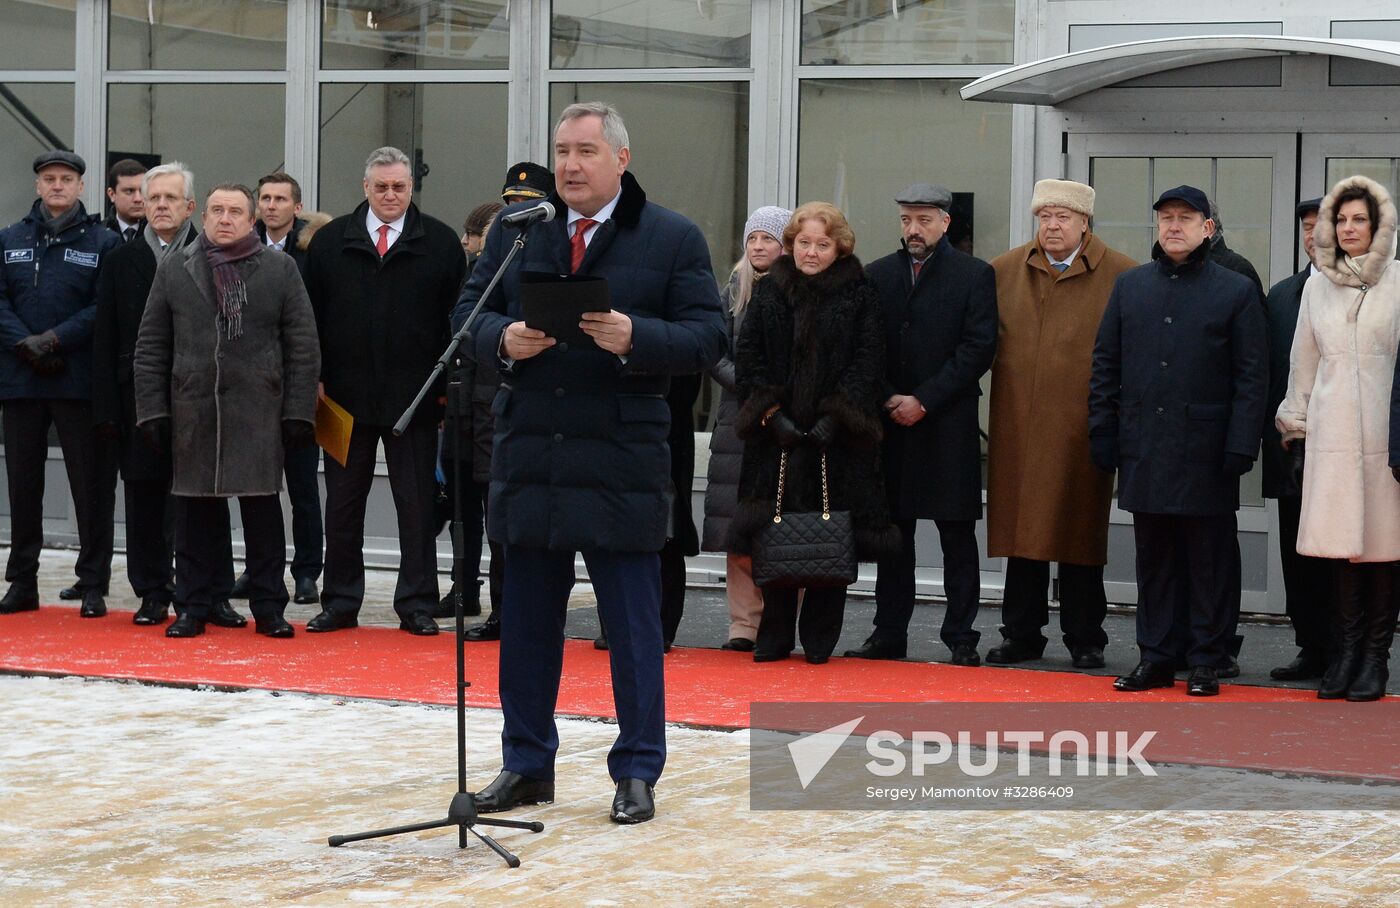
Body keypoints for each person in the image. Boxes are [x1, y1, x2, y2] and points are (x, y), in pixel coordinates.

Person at [460, 102, 725, 824]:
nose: (569, 165)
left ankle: (638, 770)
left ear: (620, 159)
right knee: (525, 627)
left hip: (621, 459)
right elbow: (466, 314)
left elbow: (708, 337)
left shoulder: (671, 237)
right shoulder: (522, 234)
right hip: (533, 455)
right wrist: (501, 339)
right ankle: (525, 765)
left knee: (633, 632)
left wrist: (638, 336)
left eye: (584, 151)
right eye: (561, 151)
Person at [1089, 185, 1267, 697]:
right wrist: (1103, 429)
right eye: (1166, 218)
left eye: (1186, 218)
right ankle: (1157, 657)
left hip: (1207, 449)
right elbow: (1106, 364)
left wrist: (1241, 444)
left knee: (1208, 558)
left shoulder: (1233, 289)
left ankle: (1208, 659)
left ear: (1208, 228)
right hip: (1144, 444)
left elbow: (1251, 376)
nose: (1173, 226)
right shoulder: (1131, 287)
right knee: (1155, 558)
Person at [133, 183, 320, 638]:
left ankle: (269, 607)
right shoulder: (176, 268)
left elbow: (303, 345)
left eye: (235, 211)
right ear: (204, 215)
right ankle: (192, 606)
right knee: (194, 517)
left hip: (259, 409)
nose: (224, 218)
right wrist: (152, 410)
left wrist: (299, 411)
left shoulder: (280, 268)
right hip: (194, 408)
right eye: (216, 209)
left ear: (251, 218)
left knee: (261, 516)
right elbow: (151, 345)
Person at [301, 147, 467, 636]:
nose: (390, 195)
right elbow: (307, 321)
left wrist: (442, 392)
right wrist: (313, 378)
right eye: (381, 187)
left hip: (414, 401)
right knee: (343, 506)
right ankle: (340, 602)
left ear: (411, 188)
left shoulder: (439, 244)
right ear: (365, 187)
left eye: (399, 186)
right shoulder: (329, 243)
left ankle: (416, 602)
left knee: (415, 508)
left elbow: (454, 324)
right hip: (341, 401)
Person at [731, 201, 899, 665]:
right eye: (803, 242)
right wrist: (770, 414)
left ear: (839, 247)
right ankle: (774, 634)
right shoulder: (769, 291)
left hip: (838, 442)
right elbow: (750, 358)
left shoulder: (859, 293)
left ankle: (820, 636)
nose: (811, 252)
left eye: (822, 244)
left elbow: (868, 360)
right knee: (775, 533)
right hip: (776, 440)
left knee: (831, 537)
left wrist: (837, 415)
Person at [985, 180, 1137, 669]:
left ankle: (1085, 636)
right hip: (1018, 427)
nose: (1052, 225)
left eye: (1063, 217)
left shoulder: (1123, 275)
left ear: (1085, 223)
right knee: (1022, 536)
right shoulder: (1004, 271)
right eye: (1045, 215)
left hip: (1084, 427)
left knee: (1079, 535)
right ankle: (1022, 634)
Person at [844, 183, 996, 667]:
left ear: (946, 223)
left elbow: (978, 348)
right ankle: (889, 633)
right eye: (907, 219)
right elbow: (864, 345)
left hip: (946, 423)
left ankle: (961, 636)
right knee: (895, 536)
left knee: (956, 535)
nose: (914, 229)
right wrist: (889, 395)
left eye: (924, 219)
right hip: (891, 424)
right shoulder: (877, 275)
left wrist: (925, 400)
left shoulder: (975, 275)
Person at [1281, 175, 1400, 702]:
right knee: (1340, 550)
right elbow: (1302, 364)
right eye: (1342, 219)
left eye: (1360, 219)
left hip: (1385, 436)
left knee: (1383, 548)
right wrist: (1297, 429)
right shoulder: (1315, 286)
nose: (1349, 228)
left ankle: (1375, 657)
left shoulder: (1399, 280)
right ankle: (1344, 652)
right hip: (1331, 434)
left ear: (1379, 227)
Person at [0, 151, 121, 618]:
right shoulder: (9, 238)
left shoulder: (102, 242)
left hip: (76, 380)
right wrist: (25, 345)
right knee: (22, 486)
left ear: (80, 187)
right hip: (21, 380)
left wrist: (53, 341)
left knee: (89, 487)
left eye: (65, 179)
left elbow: (101, 308)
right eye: (48, 178)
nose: (56, 186)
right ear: (37, 186)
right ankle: (22, 583)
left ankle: (92, 582)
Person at [222, 171, 323, 607]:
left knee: (302, 486)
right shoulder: (239, 249)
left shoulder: (314, 251)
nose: (271, 206)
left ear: (297, 207)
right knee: (256, 486)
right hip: (252, 387)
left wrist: (319, 378)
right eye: (264, 198)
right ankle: (259, 569)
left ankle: (306, 573)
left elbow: (322, 321)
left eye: (281, 199)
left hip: (299, 384)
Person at [703, 205, 791, 651]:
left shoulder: (799, 290)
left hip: (783, 423)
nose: (758, 246)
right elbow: (712, 352)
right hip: (737, 425)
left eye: (768, 239)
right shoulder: (732, 289)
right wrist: (751, 388)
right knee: (737, 530)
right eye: (753, 238)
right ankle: (743, 626)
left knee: (778, 529)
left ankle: (777, 624)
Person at [1263, 197, 1332, 681]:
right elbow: (1269, 374)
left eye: (1321, 226)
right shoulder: (1283, 294)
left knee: (1344, 556)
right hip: (1294, 449)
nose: (1312, 235)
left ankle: (1352, 650)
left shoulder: (1372, 289)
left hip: (1349, 449)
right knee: (1297, 552)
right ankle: (1309, 645)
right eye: (1306, 227)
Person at [442, 201, 505, 626]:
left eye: (474, 234)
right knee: (460, 508)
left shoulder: (502, 278)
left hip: (492, 407)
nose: (466, 242)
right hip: (460, 406)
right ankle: (463, 588)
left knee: (495, 510)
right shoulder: (463, 275)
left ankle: (504, 603)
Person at [104, 158, 147, 243]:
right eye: (129, 191)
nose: (138, 199)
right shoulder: (98, 235)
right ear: (112, 194)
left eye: (143, 191)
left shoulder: (159, 233)